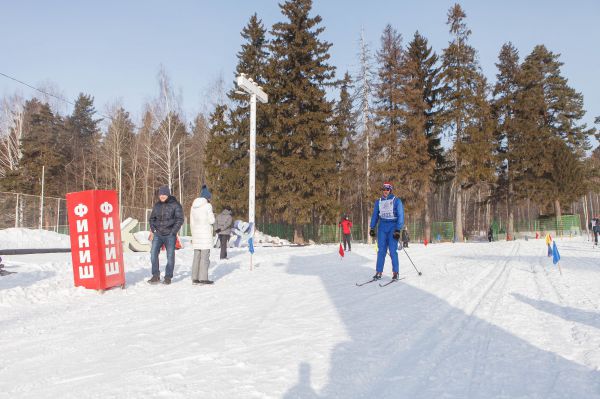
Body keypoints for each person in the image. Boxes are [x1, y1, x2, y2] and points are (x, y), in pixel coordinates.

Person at [148, 186, 184, 285]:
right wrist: (154, 229)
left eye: (164, 194)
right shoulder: (157, 205)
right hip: (158, 234)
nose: (162, 196)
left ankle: (168, 276)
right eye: (160, 194)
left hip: (170, 235)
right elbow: (151, 219)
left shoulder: (175, 205)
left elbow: (180, 219)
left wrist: (173, 231)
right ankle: (155, 275)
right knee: (153, 254)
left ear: (168, 194)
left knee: (170, 256)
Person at [369, 182, 404, 280]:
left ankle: (395, 272)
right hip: (382, 227)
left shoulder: (396, 201)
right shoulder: (379, 201)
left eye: (387, 189)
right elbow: (375, 215)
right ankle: (379, 272)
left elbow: (401, 216)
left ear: (390, 190)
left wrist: (398, 229)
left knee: (393, 250)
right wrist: (372, 227)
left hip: (393, 226)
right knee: (381, 251)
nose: (385, 191)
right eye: (384, 189)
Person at [190, 185, 216, 284]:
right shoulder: (207, 206)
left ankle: (194, 278)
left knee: (196, 256)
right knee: (205, 257)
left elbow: (192, 222)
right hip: (205, 235)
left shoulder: (193, 206)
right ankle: (203, 278)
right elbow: (212, 220)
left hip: (196, 234)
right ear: (207, 198)